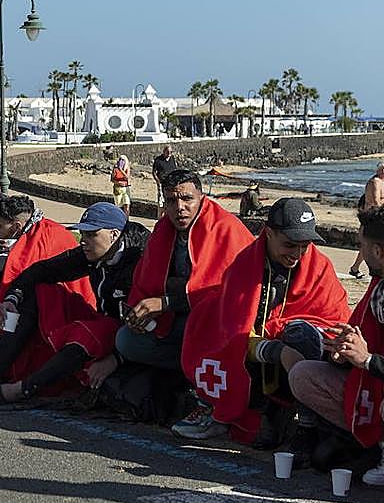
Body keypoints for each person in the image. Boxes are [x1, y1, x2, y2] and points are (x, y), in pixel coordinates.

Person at [180, 198, 348, 450]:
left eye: (305, 245)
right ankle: (252, 411)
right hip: (258, 354)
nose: (298, 254)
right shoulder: (243, 267)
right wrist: (276, 351)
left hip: (304, 350)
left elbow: (335, 318)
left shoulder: (319, 266)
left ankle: (307, 425)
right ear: (268, 233)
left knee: (301, 335)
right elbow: (235, 332)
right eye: (290, 244)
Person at [0, 202, 149, 404]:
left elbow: (149, 320)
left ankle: (19, 390)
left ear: (114, 235)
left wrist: (115, 358)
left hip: (130, 333)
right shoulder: (94, 252)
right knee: (41, 291)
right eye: (83, 234)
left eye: (91, 234)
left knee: (89, 333)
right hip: (105, 323)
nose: (83, 241)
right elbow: (39, 270)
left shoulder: (139, 261)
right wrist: (12, 298)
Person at [119, 169, 255, 437]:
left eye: (186, 199)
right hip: (179, 318)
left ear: (201, 197)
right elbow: (149, 279)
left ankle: (207, 397)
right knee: (126, 340)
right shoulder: (163, 229)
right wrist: (140, 310)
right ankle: (189, 373)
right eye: (171, 200)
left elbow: (225, 290)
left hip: (219, 323)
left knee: (203, 336)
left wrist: (167, 300)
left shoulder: (225, 228)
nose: (179, 207)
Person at [290, 202, 384, 485]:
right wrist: (342, 352)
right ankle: (380, 445)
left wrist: (367, 360)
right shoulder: (382, 282)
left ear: (378, 251)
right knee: (304, 376)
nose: (360, 253)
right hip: (379, 379)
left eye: (362, 246)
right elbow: (365, 337)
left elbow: (375, 359)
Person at [349, 160, 384, 279]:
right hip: (373, 218)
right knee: (370, 245)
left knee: (372, 245)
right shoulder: (375, 182)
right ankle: (362, 268)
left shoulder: (382, 182)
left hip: (379, 217)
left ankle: (355, 268)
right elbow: (376, 202)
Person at [152, 144, 178, 216]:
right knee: (161, 203)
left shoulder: (172, 158)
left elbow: (174, 169)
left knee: (170, 201)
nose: (169, 154)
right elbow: (154, 172)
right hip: (162, 184)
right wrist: (158, 181)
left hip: (171, 183)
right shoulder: (158, 160)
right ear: (164, 151)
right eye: (168, 152)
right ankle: (160, 218)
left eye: (171, 152)